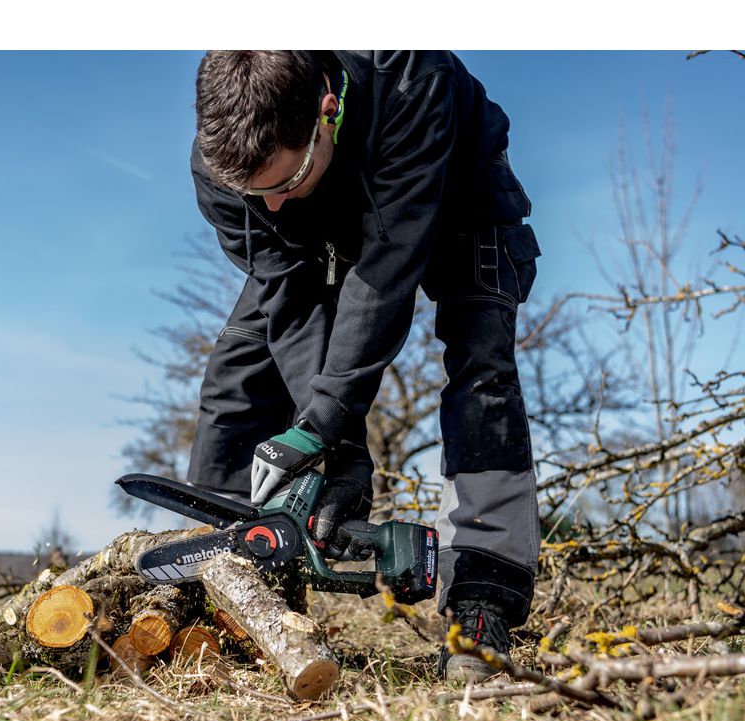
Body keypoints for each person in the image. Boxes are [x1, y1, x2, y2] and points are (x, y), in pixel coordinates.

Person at [186, 51, 541, 683]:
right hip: (330, 216)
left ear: (328, 110)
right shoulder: (230, 160)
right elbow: (286, 293)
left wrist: (328, 416)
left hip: (455, 188)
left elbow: (385, 276)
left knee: (482, 367)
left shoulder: (408, 73)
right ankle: (226, 588)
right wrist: (334, 445)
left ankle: (483, 597)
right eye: (252, 194)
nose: (268, 208)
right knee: (237, 376)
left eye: (282, 183)